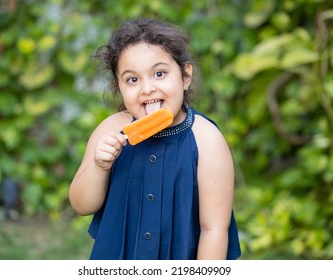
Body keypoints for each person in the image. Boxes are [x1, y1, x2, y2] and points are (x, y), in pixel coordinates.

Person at [69, 18, 241, 260]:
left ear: (185, 76)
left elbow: (213, 229)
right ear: (119, 87)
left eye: (159, 73)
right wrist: (99, 166)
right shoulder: (111, 129)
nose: (147, 88)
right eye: (132, 79)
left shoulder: (207, 139)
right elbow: (81, 205)